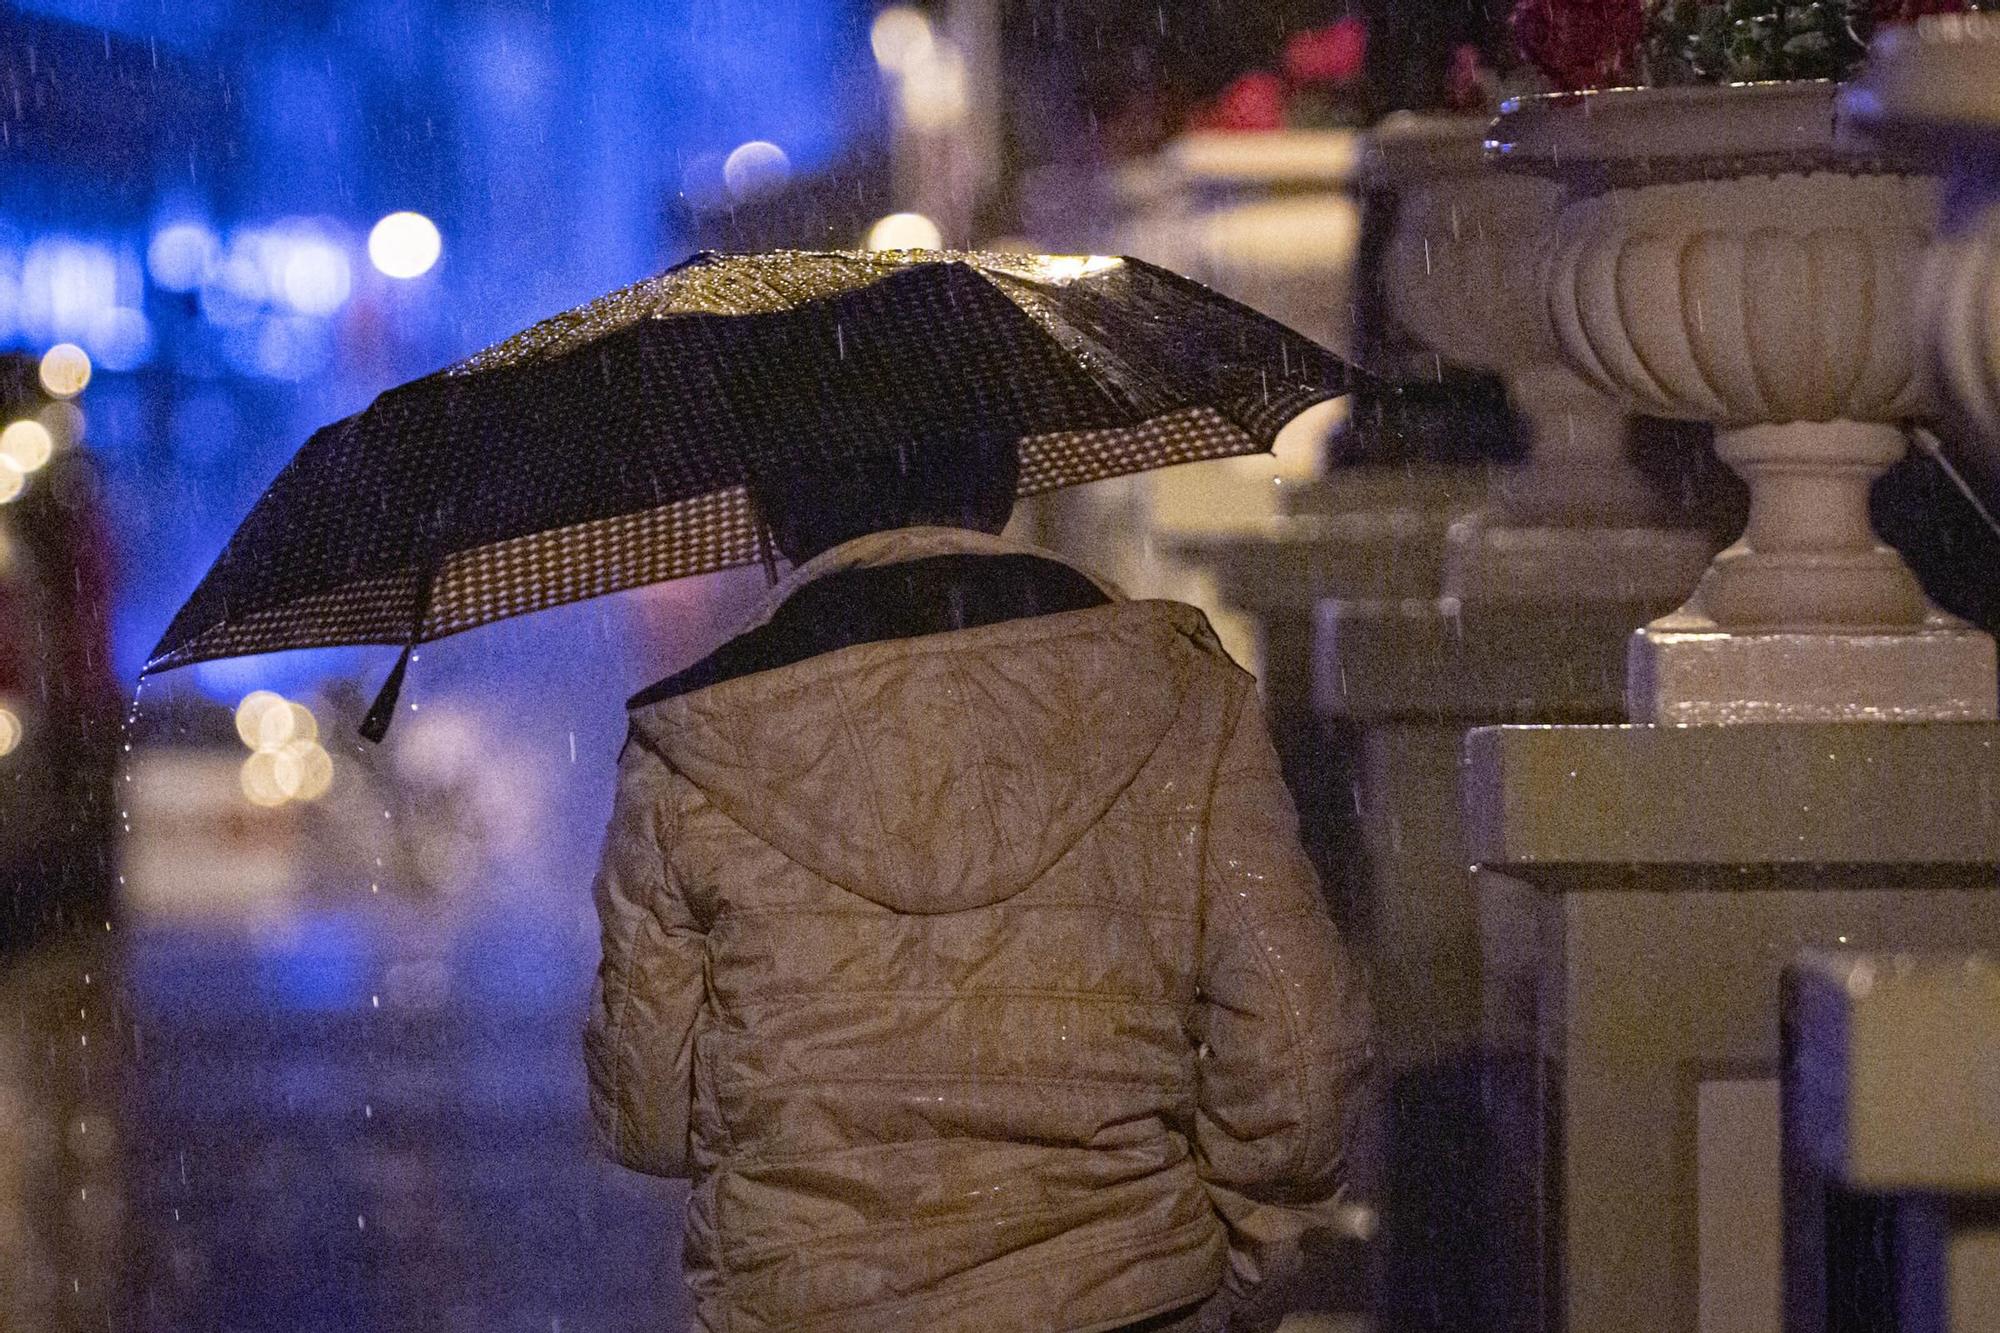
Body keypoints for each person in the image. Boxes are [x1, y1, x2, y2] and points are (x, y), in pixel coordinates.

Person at [584, 432, 1372, 1333]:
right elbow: (1297, 1054)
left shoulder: (692, 745)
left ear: (777, 501)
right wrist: (1227, 1277)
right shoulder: (1177, 689)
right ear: (1000, 472)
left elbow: (644, 1114)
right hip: (1127, 1298)